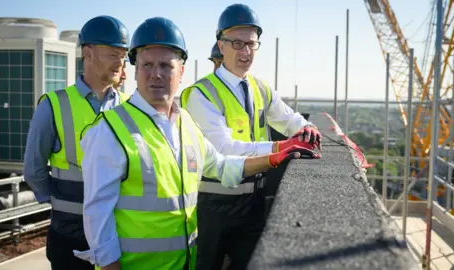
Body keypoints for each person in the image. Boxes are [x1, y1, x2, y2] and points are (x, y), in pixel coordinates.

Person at [73, 16, 321, 270]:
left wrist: (274, 157)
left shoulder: (186, 125)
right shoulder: (109, 130)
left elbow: (222, 167)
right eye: (147, 65)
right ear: (135, 71)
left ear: (181, 71)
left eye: (166, 66)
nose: (156, 74)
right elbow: (97, 213)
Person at [180, 4, 322, 270]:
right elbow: (224, 148)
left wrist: (306, 129)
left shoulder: (259, 87)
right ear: (221, 46)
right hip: (214, 206)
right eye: (236, 43)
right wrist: (282, 146)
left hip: (254, 202)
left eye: (251, 44)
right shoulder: (201, 94)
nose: (245, 52)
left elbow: (288, 118)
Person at [22, 15, 131, 270]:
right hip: (70, 237)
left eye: (123, 55)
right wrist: (61, 202)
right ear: (88, 53)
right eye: (113, 54)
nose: (120, 62)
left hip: (119, 235)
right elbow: (33, 170)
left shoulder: (130, 107)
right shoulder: (53, 105)